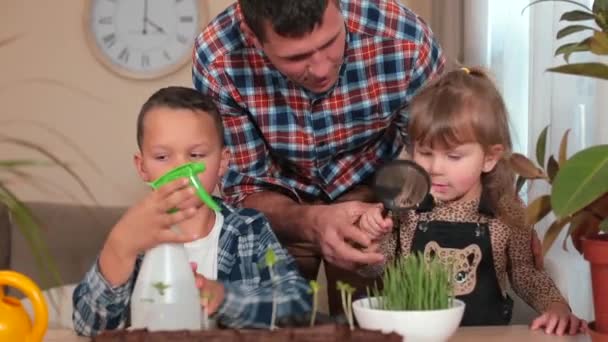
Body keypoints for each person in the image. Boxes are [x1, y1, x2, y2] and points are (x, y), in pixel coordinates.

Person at [192, 0, 445, 314]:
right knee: (269, 321)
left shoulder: (407, 41)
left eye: (330, 42)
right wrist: (312, 221)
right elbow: (243, 188)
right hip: (276, 204)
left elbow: (439, 161)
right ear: (252, 35)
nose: (322, 69)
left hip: (371, 193)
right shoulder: (218, 60)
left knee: (373, 318)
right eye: (296, 57)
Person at [357, 67, 586, 335]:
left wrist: (557, 306)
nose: (435, 168)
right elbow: (374, 268)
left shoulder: (508, 212)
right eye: (425, 152)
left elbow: (525, 273)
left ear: (489, 157)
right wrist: (371, 240)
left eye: (453, 157)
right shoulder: (405, 204)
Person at [72, 87, 311, 336]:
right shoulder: (134, 235)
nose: (182, 169)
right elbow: (88, 326)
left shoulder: (248, 229)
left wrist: (223, 298)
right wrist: (119, 247)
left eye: (196, 155)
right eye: (163, 156)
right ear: (142, 168)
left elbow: (299, 305)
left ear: (222, 162)